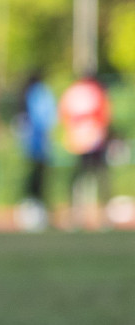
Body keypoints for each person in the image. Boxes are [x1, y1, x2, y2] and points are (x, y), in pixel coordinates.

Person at [60, 73, 112, 228]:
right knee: (98, 177)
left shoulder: (72, 92)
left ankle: (79, 215)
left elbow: (64, 114)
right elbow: (104, 115)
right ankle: (98, 216)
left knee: (81, 178)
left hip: (79, 139)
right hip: (92, 138)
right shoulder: (94, 91)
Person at [16, 72, 55, 209]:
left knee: (33, 174)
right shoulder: (40, 93)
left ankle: (32, 203)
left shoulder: (29, 93)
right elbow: (46, 118)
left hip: (31, 142)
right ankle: (35, 203)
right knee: (38, 175)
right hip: (38, 141)